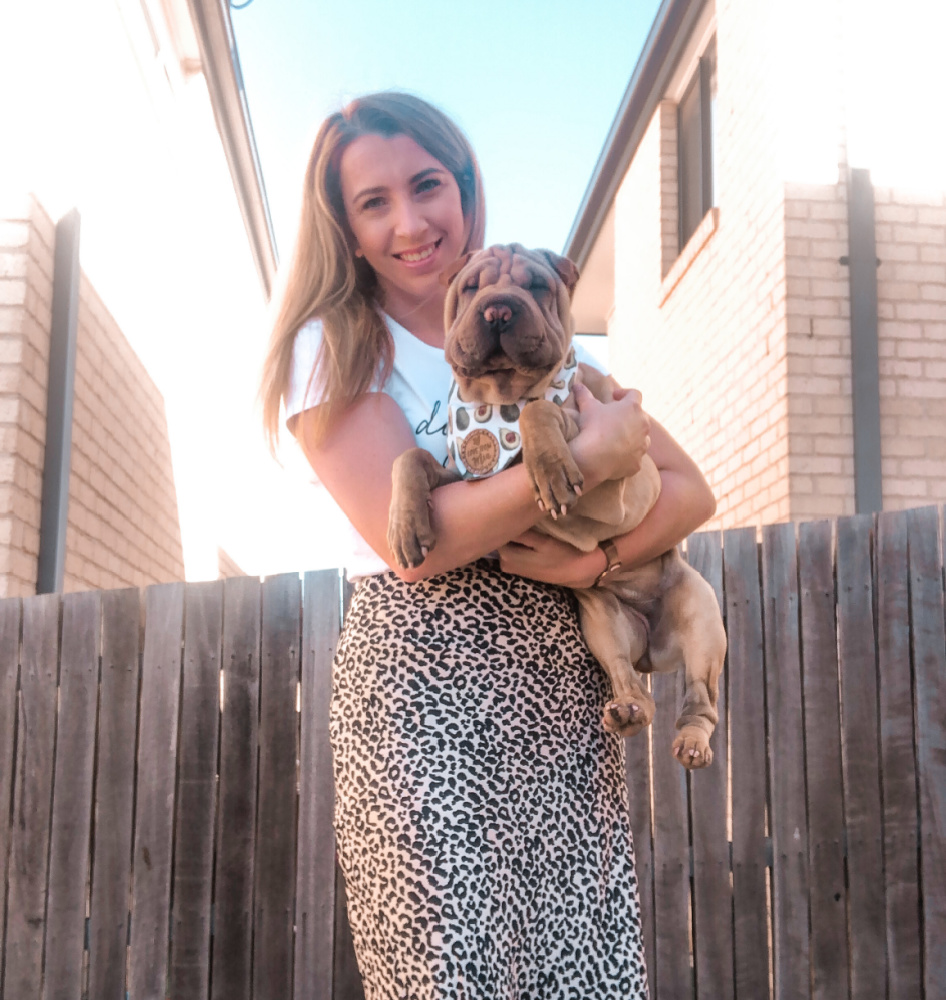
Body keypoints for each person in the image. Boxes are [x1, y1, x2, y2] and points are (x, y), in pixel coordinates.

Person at [260, 91, 715, 1000]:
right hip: (422, 692)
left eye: (428, 186)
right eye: (374, 203)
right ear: (346, 231)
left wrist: (596, 565)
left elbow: (691, 492)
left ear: (466, 193)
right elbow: (419, 549)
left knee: (577, 972)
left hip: (562, 692)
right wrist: (584, 456)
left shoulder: (552, 341)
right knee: (448, 972)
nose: (410, 221)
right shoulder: (337, 346)